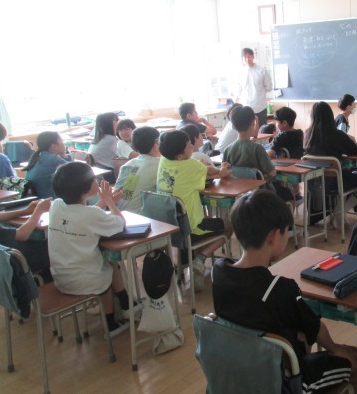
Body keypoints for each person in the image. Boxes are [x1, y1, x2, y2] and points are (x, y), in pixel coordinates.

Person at [212, 189, 357, 393]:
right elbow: (314, 327)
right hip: (281, 381)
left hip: (239, 370)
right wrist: (335, 348)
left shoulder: (219, 273)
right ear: (274, 236)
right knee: (354, 357)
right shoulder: (279, 289)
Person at [48, 162, 133, 337]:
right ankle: (111, 324)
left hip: (61, 277)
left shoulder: (56, 205)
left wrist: (104, 203)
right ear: (84, 188)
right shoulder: (91, 215)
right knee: (108, 266)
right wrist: (109, 202)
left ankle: (126, 303)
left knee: (109, 262)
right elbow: (120, 223)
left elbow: (84, 216)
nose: (97, 181)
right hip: (87, 281)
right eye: (94, 179)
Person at [157, 130, 231, 291]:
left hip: (170, 227)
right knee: (231, 225)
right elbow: (212, 171)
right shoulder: (191, 165)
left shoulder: (163, 160)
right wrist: (222, 172)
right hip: (191, 227)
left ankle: (193, 260)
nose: (192, 146)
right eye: (189, 146)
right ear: (179, 156)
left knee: (210, 222)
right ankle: (200, 259)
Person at [0, 193, 52, 281]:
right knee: (53, 244)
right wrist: (39, 210)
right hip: (14, 261)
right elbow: (22, 235)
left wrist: (26, 211)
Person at [305, 101, 357, 192]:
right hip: (336, 182)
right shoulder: (336, 135)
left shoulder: (307, 134)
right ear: (330, 116)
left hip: (314, 182)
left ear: (312, 116)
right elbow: (355, 150)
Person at [113, 126, 160, 212]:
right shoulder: (159, 165)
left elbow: (123, 194)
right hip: (141, 216)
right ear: (155, 145)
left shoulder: (129, 164)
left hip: (119, 212)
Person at [223, 105, 276, 179]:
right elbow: (272, 173)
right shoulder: (257, 148)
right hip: (259, 186)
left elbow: (224, 173)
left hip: (236, 186)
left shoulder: (227, 150)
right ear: (253, 123)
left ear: (233, 126)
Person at [24, 131, 68, 198]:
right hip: (48, 200)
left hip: (36, 199)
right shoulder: (53, 160)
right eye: (62, 141)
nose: (64, 144)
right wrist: (65, 157)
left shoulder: (38, 156)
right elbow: (77, 174)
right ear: (54, 146)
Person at [235, 48, 273, 127]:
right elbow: (239, 90)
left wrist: (259, 93)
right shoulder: (241, 72)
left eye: (249, 57)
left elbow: (269, 87)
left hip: (260, 107)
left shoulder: (262, 70)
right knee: (247, 130)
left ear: (253, 56)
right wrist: (236, 104)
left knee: (262, 130)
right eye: (245, 57)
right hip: (245, 107)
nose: (247, 59)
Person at [88, 112, 119, 182]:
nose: (118, 123)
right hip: (108, 174)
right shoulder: (111, 140)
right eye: (116, 120)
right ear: (108, 124)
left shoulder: (98, 139)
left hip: (98, 173)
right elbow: (124, 156)